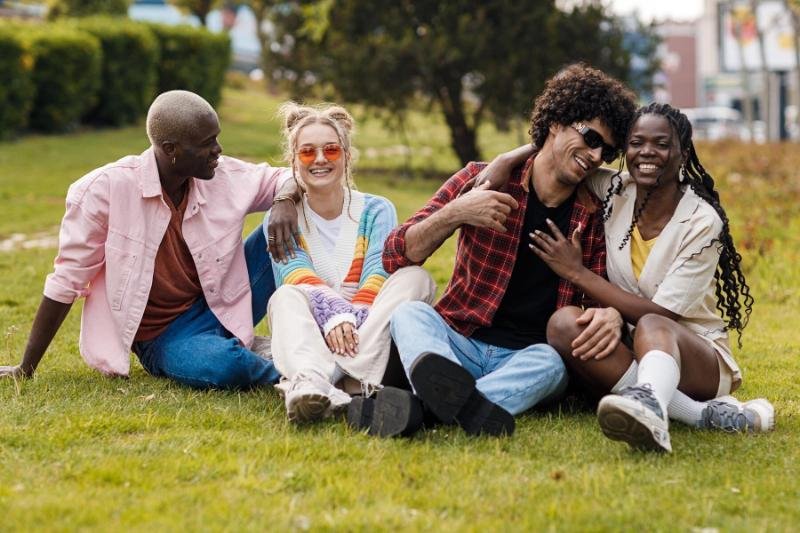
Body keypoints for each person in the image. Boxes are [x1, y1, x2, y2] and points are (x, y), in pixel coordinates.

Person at [366, 64, 638, 438]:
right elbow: (395, 255)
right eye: (590, 137)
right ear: (556, 122)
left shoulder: (591, 214)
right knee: (410, 314)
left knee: (551, 366)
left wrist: (611, 316)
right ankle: (469, 405)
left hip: (527, 355)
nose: (595, 155)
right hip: (458, 342)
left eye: (606, 150)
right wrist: (456, 212)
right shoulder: (482, 179)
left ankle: (425, 410)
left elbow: (599, 289)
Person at [0, 90, 300, 389]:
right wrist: (25, 367)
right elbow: (67, 279)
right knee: (225, 367)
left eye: (216, 138)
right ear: (172, 149)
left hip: (226, 301)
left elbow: (285, 177)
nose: (218, 150)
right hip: (165, 335)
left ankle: (331, 326)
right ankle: (304, 376)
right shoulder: (102, 190)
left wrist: (285, 198)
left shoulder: (220, 174)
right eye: (207, 143)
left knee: (295, 217)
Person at [523, 103, 774, 452]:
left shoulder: (702, 221)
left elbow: (663, 314)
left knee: (653, 324)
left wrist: (576, 273)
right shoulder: (615, 190)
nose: (647, 153)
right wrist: (506, 160)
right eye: (637, 142)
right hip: (631, 341)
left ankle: (652, 403)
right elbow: (559, 157)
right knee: (563, 325)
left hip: (695, 353)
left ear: (682, 153)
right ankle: (695, 415)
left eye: (661, 143)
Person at [265, 103, 436, 424]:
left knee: (416, 278)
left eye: (330, 150)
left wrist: (348, 321)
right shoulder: (282, 218)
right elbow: (295, 275)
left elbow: (377, 275)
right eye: (307, 152)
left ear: (346, 155)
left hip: (365, 327)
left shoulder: (376, 210)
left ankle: (321, 381)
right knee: (284, 297)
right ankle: (350, 384)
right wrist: (332, 319)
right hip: (313, 331)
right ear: (293, 161)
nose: (319, 159)